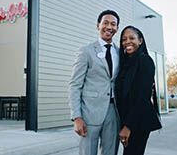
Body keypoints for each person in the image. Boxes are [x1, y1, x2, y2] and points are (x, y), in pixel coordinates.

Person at [69, 10, 120, 155]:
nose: (109, 27)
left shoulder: (120, 53)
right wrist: (77, 116)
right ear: (98, 26)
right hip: (89, 112)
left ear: (117, 28)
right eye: (105, 23)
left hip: (113, 113)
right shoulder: (86, 51)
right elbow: (75, 85)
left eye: (113, 24)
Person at [115, 26, 162, 155]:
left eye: (132, 38)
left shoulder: (145, 60)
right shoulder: (126, 63)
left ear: (140, 41)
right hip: (128, 120)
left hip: (138, 121)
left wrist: (128, 126)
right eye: (124, 39)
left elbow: (143, 97)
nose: (127, 42)